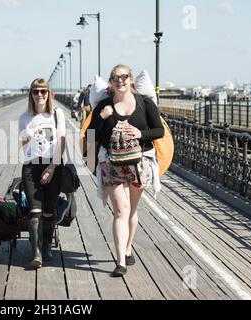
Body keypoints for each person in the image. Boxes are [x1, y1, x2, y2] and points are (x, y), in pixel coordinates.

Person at [87, 64, 164, 277]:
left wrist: (140, 133)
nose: (120, 80)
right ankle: (120, 260)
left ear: (130, 80)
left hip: (141, 164)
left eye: (124, 76)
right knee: (120, 210)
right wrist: (101, 118)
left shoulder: (145, 103)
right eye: (115, 77)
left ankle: (128, 247)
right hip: (111, 164)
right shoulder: (103, 105)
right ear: (111, 83)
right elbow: (91, 135)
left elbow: (159, 131)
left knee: (131, 210)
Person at [18, 78, 66, 268]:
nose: (40, 95)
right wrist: (29, 148)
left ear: (48, 93)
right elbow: (21, 142)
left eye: (43, 91)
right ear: (31, 94)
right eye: (36, 91)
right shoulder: (24, 117)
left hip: (53, 167)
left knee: (48, 211)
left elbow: (61, 142)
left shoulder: (56, 114)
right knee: (35, 211)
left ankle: (46, 244)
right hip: (31, 167)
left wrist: (51, 168)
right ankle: (36, 250)